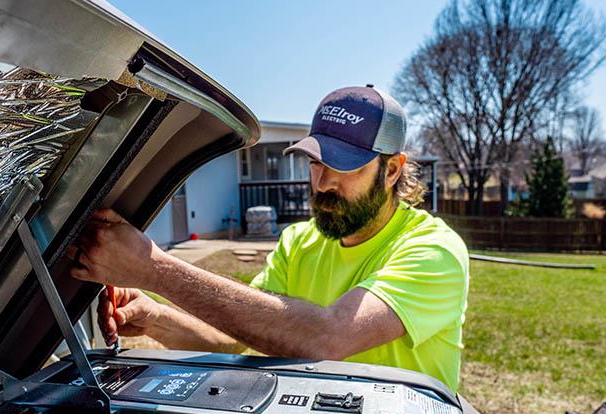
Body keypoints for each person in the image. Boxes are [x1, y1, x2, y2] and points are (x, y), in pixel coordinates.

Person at [68, 85, 469, 391]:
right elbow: (236, 335)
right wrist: (155, 315)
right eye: (316, 162)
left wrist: (152, 269)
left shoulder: (433, 249)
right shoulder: (299, 242)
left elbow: (329, 338)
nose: (323, 182)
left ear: (393, 170)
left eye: (346, 167)